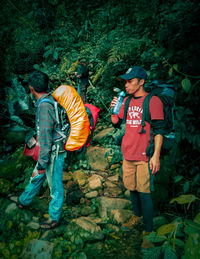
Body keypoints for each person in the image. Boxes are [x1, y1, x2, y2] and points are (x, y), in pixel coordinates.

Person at [110, 66, 165, 248]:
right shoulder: (125, 101)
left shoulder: (153, 101)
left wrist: (156, 156)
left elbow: (159, 130)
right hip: (128, 153)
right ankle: (136, 217)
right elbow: (116, 123)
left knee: (145, 192)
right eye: (125, 81)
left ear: (141, 82)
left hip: (144, 156)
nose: (126, 84)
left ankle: (149, 231)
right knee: (132, 188)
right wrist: (113, 109)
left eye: (130, 81)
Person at [13, 70, 66, 229]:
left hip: (53, 152)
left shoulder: (44, 106)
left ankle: (54, 218)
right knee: (36, 177)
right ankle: (23, 200)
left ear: (31, 89)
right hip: (52, 149)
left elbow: (46, 137)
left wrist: (42, 163)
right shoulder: (50, 99)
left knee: (55, 186)